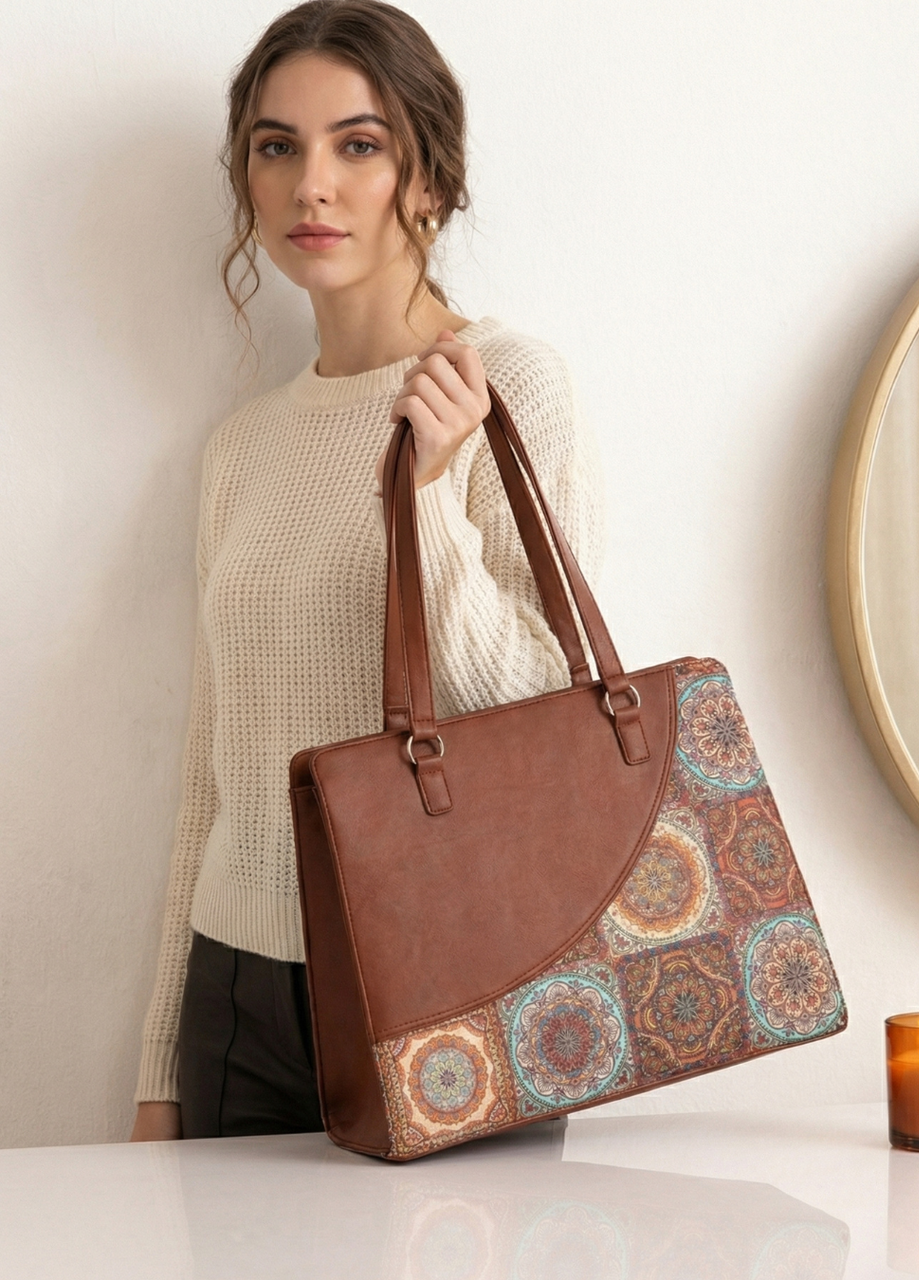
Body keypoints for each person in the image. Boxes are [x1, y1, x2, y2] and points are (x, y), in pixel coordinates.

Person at [130, 0, 603, 1141]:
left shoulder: (506, 387)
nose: (312, 186)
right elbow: (215, 768)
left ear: (426, 177)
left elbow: (547, 714)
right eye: (277, 147)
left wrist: (428, 496)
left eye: (358, 144)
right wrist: (161, 1066)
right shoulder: (240, 448)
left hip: (449, 974)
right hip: (238, 997)